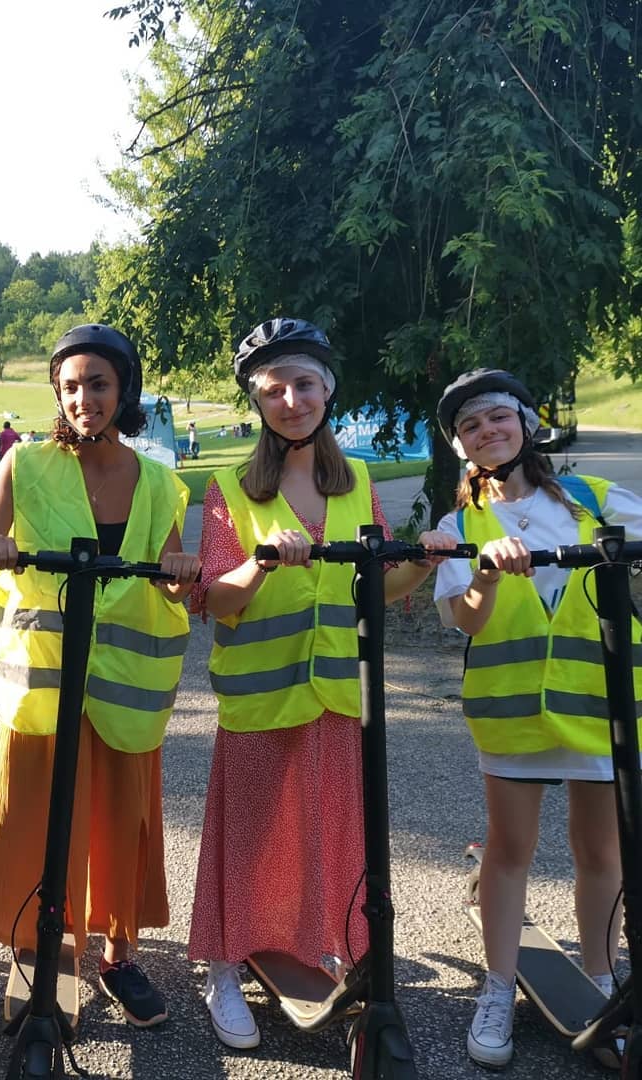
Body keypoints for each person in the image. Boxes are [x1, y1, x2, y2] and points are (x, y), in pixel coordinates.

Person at [187, 317, 454, 1051]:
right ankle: (220, 966)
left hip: (338, 693)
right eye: (275, 388)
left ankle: (322, 945)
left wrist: (424, 561)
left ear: (328, 391)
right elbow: (218, 597)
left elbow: (378, 587)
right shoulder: (231, 487)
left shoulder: (358, 479)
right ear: (258, 401)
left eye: (305, 384)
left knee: (332, 831)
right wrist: (264, 561)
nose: (291, 399)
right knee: (246, 837)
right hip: (259, 696)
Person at [0, 323, 200, 1049]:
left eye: (100, 384)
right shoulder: (26, 466)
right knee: (13, 818)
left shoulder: (159, 482)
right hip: (44, 688)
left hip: (122, 688)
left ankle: (117, 955)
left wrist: (183, 578)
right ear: (58, 393)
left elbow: (174, 586)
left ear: (125, 392)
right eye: (72, 385)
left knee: (121, 821)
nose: (84, 397)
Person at [431, 368, 642, 1069]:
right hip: (512, 711)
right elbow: (467, 620)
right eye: (471, 426)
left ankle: (603, 977)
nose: (487, 432)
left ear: (525, 423)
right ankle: (497, 987)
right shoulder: (460, 525)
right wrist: (485, 575)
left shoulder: (595, 499)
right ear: (462, 447)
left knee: (602, 853)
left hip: (599, 708)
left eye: (497, 419)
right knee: (509, 850)